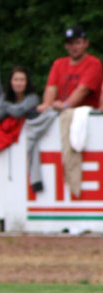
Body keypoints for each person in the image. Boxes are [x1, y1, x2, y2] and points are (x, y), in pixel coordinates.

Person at [26, 26, 103, 193]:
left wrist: (66, 105)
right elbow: (51, 88)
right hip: (60, 120)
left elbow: (83, 90)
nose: (73, 46)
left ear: (85, 43)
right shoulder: (59, 63)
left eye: (77, 42)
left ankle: (74, 189)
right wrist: (47, 105)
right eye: (69, 43)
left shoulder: (93, 63)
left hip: (82, 121)